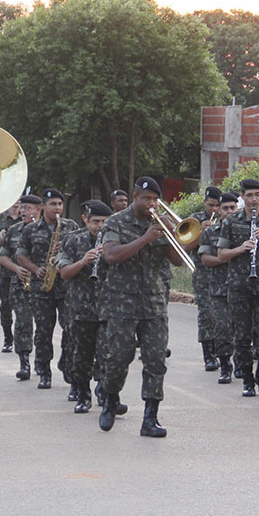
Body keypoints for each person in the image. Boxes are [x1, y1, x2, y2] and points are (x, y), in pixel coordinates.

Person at [97, 177, 185, 437]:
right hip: (121, 303)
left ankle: (150, 418)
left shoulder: (160, 223)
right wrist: (146, 238)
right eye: (146, 199)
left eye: (155, 200)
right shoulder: (115, 222)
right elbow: (112, 256)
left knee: (156, 361)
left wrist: (174, 236)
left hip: (154, 302)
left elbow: (178, 261)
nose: (151, 204)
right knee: (118, 358)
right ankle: (110, 397)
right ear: (134, 197)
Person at [58, 200, 117, 414]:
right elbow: (64, 272)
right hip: (80, 309)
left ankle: (104, 391)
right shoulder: (73, 240)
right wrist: (83, 262)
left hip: (108, 308)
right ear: (87, 221)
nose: (100, 226)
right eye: (95, 222)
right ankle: (83, 394)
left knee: (108, 354)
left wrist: (109, 256)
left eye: (103, 222)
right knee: (81, 356)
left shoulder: (114, 240)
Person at [16, 188, 77, 390]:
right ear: (43, 207)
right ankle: (43, 371)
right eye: (53, 204)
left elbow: (80, 250)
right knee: (43, 331)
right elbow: (21, 255)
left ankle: (67, 364)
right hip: (41, 287)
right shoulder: (30, 229)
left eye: (60, 204)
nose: (57, 208)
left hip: (66, 286)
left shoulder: (70, 226)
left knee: (70, 328)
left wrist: (66, 249)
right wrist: (35, 269)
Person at [217, 178, 259, 397]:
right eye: (250, 195)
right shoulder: (231, 222)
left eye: (258, 195)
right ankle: (247, 379)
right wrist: (241, 248)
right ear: (243, 197)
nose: (254, 199)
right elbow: (221, 255)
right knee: (241, 335)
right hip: (239, 286)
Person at [0, 194, 41, 380]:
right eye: (22, 208)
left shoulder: (55, 228)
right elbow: (2, 256)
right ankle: (25, 362)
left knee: (44, 326)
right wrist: (16, 268)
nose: (23, 211)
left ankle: (42, 361)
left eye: (28, 208)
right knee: (23, 322)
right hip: (21, 283)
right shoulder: (14, 230)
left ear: (39, 210)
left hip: (47, 285)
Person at [199, 192, 238, 384]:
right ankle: (225, 366)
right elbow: (205, 258)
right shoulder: (210, 232)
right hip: (219, 288)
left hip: (243, 288)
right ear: (219, 210)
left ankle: (241, 364)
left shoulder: (246, 231)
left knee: (242, 329)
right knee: (222, 328)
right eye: (225, 208)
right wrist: (225, 258)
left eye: (233, 208)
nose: (229, 212)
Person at [189, 186, 223, 371]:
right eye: (211, 205)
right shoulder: (195, 219)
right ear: (205, 203)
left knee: (224, 315)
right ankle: (208, 354)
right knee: (206, 314)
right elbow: (185, 246)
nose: (215, 210)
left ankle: (224, 351)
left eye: (218, 206)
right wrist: (201, 233)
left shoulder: (227, 218)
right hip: (202, 273)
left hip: (224, 273)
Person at [0, 200, 23, 353]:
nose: (17, 204)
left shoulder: (27, 216)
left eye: (20, 200)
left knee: (24, 307)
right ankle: (8, 338)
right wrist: (3, 237)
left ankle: (23, 339)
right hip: (6, 270)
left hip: (24, 268)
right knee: (6, 305)